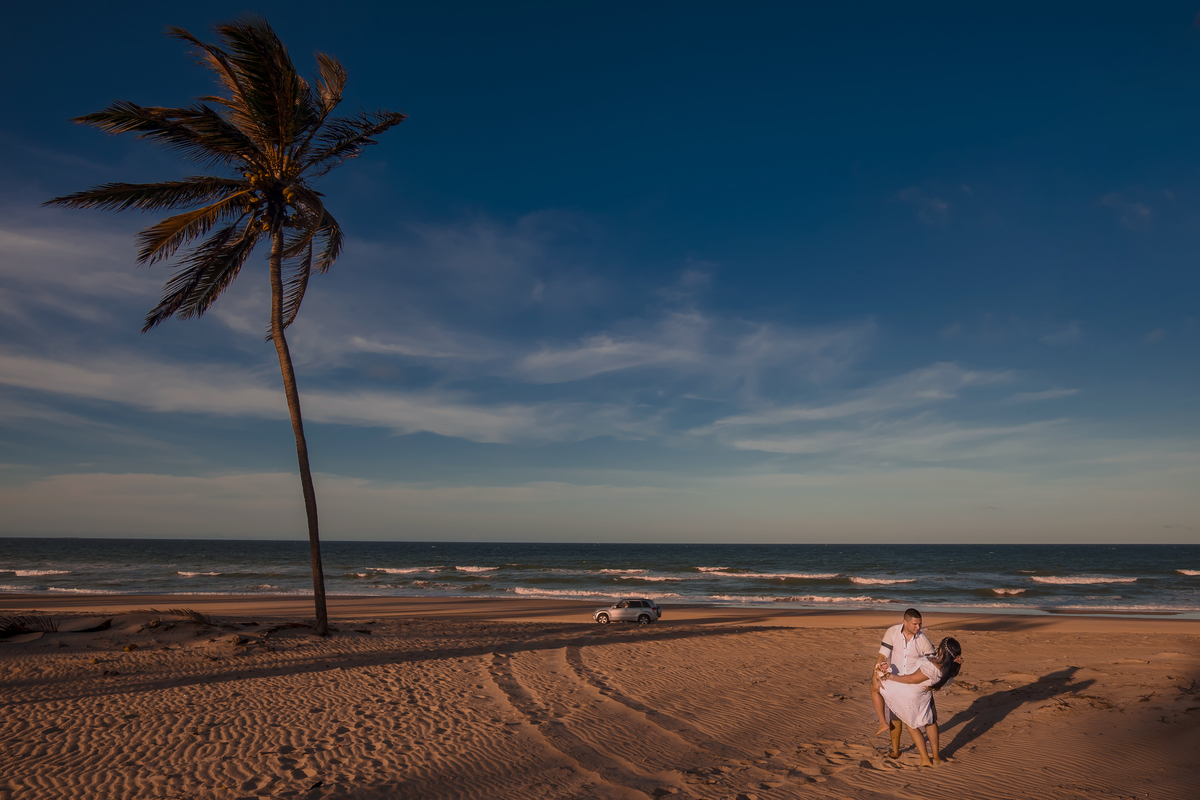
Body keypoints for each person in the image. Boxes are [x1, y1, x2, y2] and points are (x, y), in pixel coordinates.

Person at [878, 637, 963, 767]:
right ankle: (936, 757)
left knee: (912, 725)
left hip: (910, 692)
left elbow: (911, 679)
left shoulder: (931, 666)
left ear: (942, 650)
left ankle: (924, 759)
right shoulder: (948, 668)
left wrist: (890, 676)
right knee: (929, 722)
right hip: (924, 695)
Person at [871, 608, 934, 735]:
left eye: (920, 624)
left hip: (913, 682)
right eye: (915, 624)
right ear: (904, 622)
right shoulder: (892, 632)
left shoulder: (923, 640)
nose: (918, 627)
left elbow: (932, 664)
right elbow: (883, 656)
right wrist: (875, 677)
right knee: (875, 689)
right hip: (894, 678)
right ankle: (886, 730)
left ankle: (927, 754)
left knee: (915, 722)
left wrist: (931, 683)